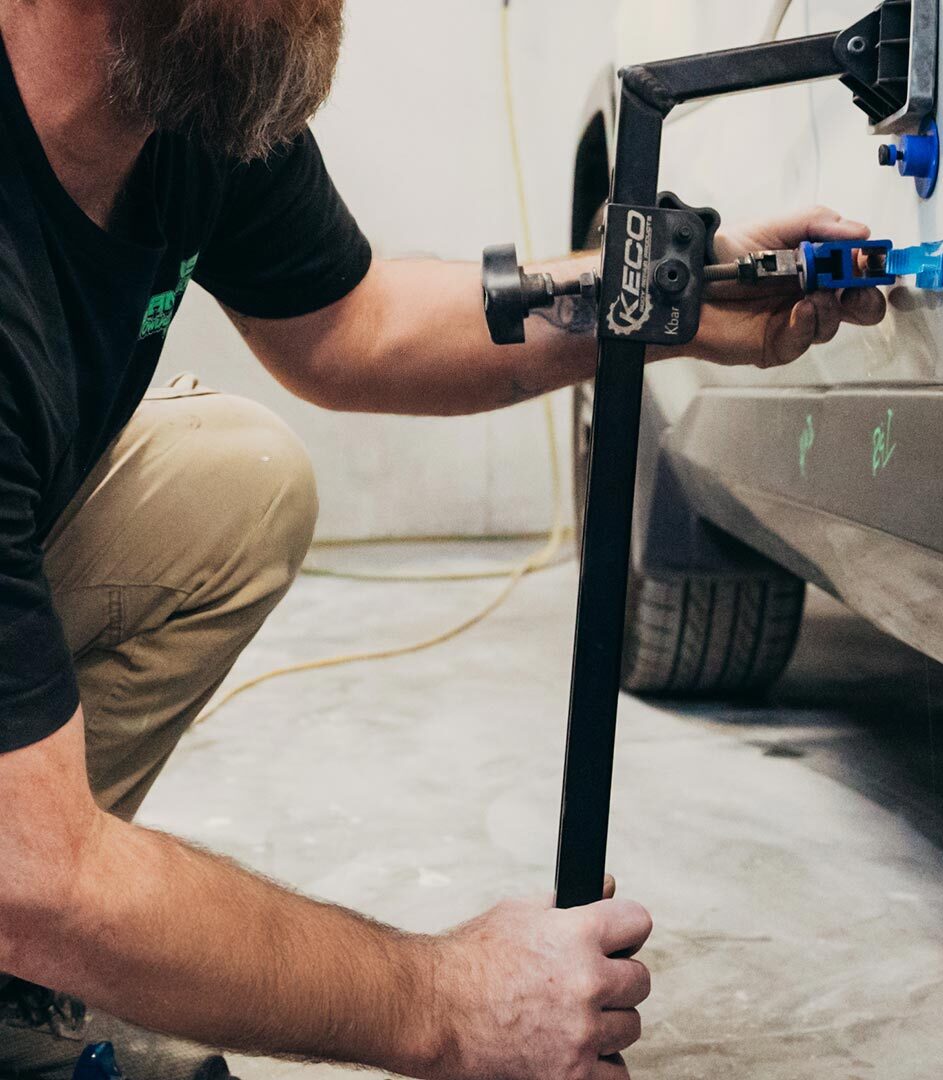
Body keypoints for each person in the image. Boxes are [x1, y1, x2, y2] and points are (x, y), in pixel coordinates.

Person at [0, 2, 887, 1078]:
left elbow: (356, 322)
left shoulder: (187, 82)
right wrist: (448, 1001)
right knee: (29, 872)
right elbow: (33, 876)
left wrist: (668, 298)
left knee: (231, 484)